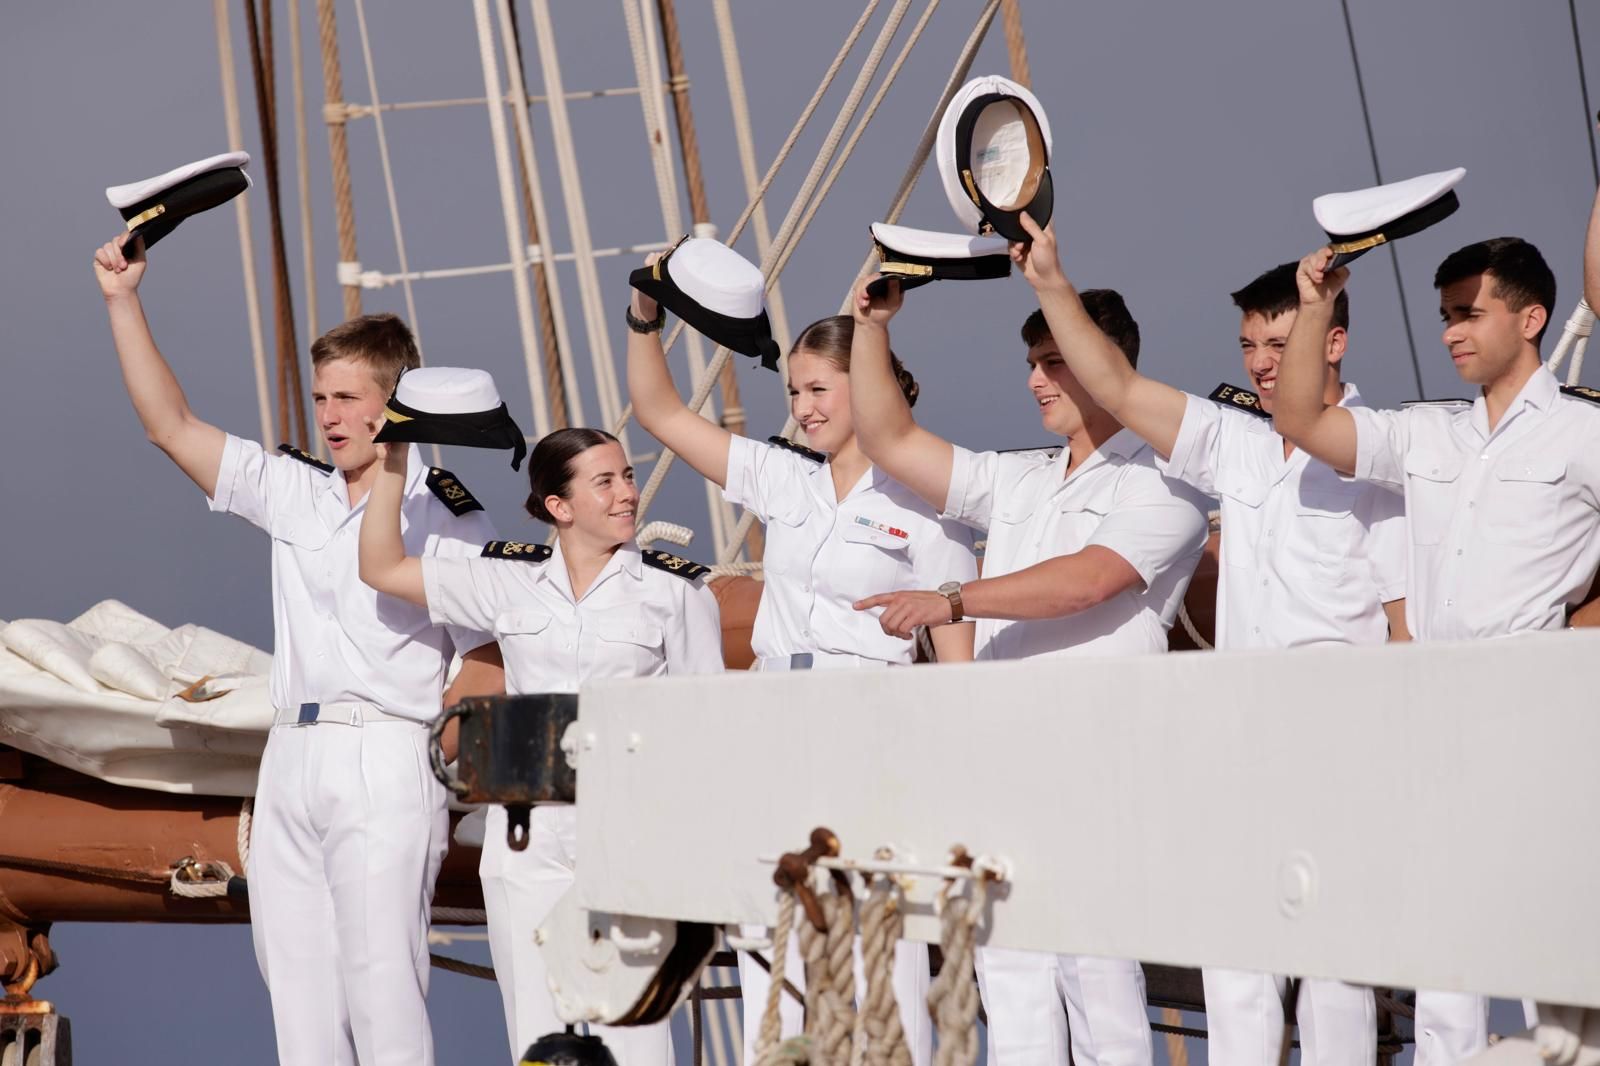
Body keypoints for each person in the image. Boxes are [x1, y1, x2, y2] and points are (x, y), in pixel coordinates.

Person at [996, 230, 1411, 1065]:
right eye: (1250, 345)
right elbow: (1113, 382)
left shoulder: (1383, 452)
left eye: (1280, 343)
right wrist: (1050, 283)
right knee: (1235, 971)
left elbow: (1405, 628)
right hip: (1240, 743)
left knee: (1335, 981)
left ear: (1332, 340)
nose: (1262, 363)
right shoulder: (1237, 444)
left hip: (1339, 740)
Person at [92, 232, 505, 1066]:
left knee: (383, 986)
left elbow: (487, 649)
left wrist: (448, 745)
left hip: (387, 748)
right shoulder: (296, 491)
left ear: (396, 401)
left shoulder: (449, 516)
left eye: (349, 399)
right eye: (321, 399)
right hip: (292, 753)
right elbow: (169, 426)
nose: (330, 418)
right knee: (300, 1002)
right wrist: (121, 301)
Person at [846, 237, 1210, 1066]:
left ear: (1101, 359)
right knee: (1009, 971)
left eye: (1054, 360)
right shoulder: (1019, 478)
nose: (1035, 378)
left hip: (1097, 753)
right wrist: (871, 329)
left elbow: (1090, 581)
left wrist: (952, 599)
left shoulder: (1166, 484)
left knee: (1099, 974)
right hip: (1001, 753)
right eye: (1032, 363)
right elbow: (891, 439)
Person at [625, 253, 979, 1066]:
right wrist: (647, 311)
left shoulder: (932, 510)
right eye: (795, 392)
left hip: (873, 717)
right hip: (774, 715)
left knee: (875, 927)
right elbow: (659, 411)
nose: (803, 407)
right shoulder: (784, 479)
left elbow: (960, 672)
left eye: (820, 389)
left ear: (870, 384)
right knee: (766, 913)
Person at [1273, 230, 1600, 1066]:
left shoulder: (1581, 432)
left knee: (1540, 930)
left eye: (1470, 313)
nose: (1452, 331)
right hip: (1436, 704)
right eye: (1446, 316)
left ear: (1532, 319)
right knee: (1444, 935)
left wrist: (1578, 637)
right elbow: (1302, 417)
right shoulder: (1425, 435)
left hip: (1537, 705)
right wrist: (1313, 306)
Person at [358, 425, 722, 1066]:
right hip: (526, 840)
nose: (627, 494)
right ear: (559, 506)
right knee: (537, 1035)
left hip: (629, 835)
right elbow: (382, 567)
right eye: (604, 481)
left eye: (628, 477)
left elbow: (710, 730)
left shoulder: (677, 594)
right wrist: (393, 458)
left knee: (637, 1039)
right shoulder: (508, 583)